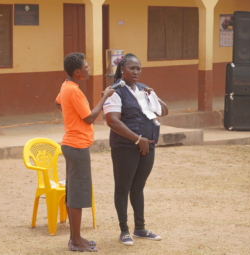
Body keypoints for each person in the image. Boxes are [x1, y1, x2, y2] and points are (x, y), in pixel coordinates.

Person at [104, 53, 169, 245]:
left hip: (148, 145)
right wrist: (137, 139)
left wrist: (154, 95)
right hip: (125, 147)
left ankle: (140, 228)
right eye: (132, 68)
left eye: (138, 68)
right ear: (122, 69)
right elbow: (112, 121)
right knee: (123, 188)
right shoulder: (114, 91)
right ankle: (124, 231)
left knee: (138, 187)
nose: (136, 71)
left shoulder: (142, 89)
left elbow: (163, 112)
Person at [55, 52, 115, 252]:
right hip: (77, 146)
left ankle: (75, 238)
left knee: (74, 193)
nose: (88, 69)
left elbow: (58, 102)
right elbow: (90, 118)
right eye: (86, 66)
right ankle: (76, 241)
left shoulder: (66, 86)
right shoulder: (75, 91)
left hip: (71, 144)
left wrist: (71, 114)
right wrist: (105, 97)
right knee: (78, 195)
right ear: (77, 71)